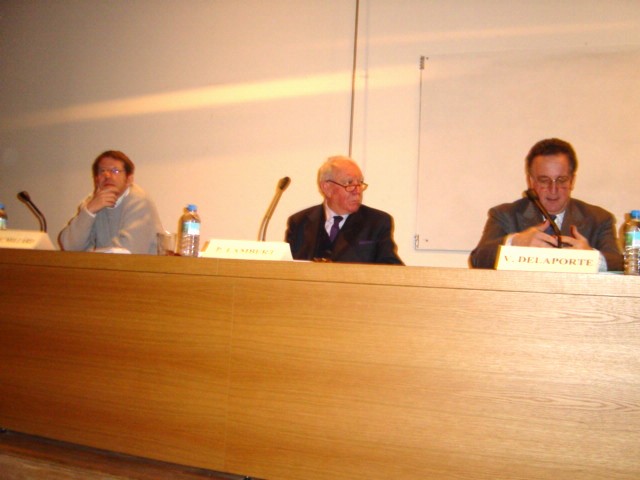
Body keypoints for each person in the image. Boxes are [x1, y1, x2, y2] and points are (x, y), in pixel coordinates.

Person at [469, 138, 623, 271]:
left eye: (561, 180)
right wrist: (514, 243)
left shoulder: (599, 219)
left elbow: (620, 263)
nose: (553, 189)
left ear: (572, 181)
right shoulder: (505, 214)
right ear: (531, 182)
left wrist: (591, 258)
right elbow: (478, 259)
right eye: (544, 180)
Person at [286, 155, 403, 264]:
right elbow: (286, 268)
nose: (358, 190)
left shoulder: (377, 222)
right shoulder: (299, 222)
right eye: (349, 183)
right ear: (327, 188)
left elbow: (391, 270)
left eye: (360, 183)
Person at [59, 150, 164, 254]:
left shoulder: (139, 201)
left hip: (140, 265)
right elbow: (69, 246)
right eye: (102, 171)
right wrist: (89, 211)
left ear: (129, 179)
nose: (107, 175)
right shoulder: (94, 201)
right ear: (96, 179)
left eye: (115, 171)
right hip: (106, 264)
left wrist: (90, 253)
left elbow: (126, 251)